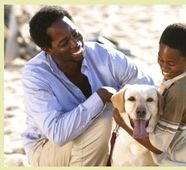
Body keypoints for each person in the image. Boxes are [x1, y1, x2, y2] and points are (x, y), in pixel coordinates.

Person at [21, 5, 155, 166]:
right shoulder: (35, 75)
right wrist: (99, 97)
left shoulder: (102, 54)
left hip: (95, 142)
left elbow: (148, 88)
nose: (75, 43)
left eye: (75, 34)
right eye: (64, 43)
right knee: (104, 115)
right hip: (47, 149)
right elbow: (58, 134)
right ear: (47, 49)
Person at [113, 23, 186, 166]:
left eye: (171, 63)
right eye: (160, 59)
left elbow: (158, 148)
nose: (164, 67)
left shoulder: (178, 93)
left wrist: (121, 123)